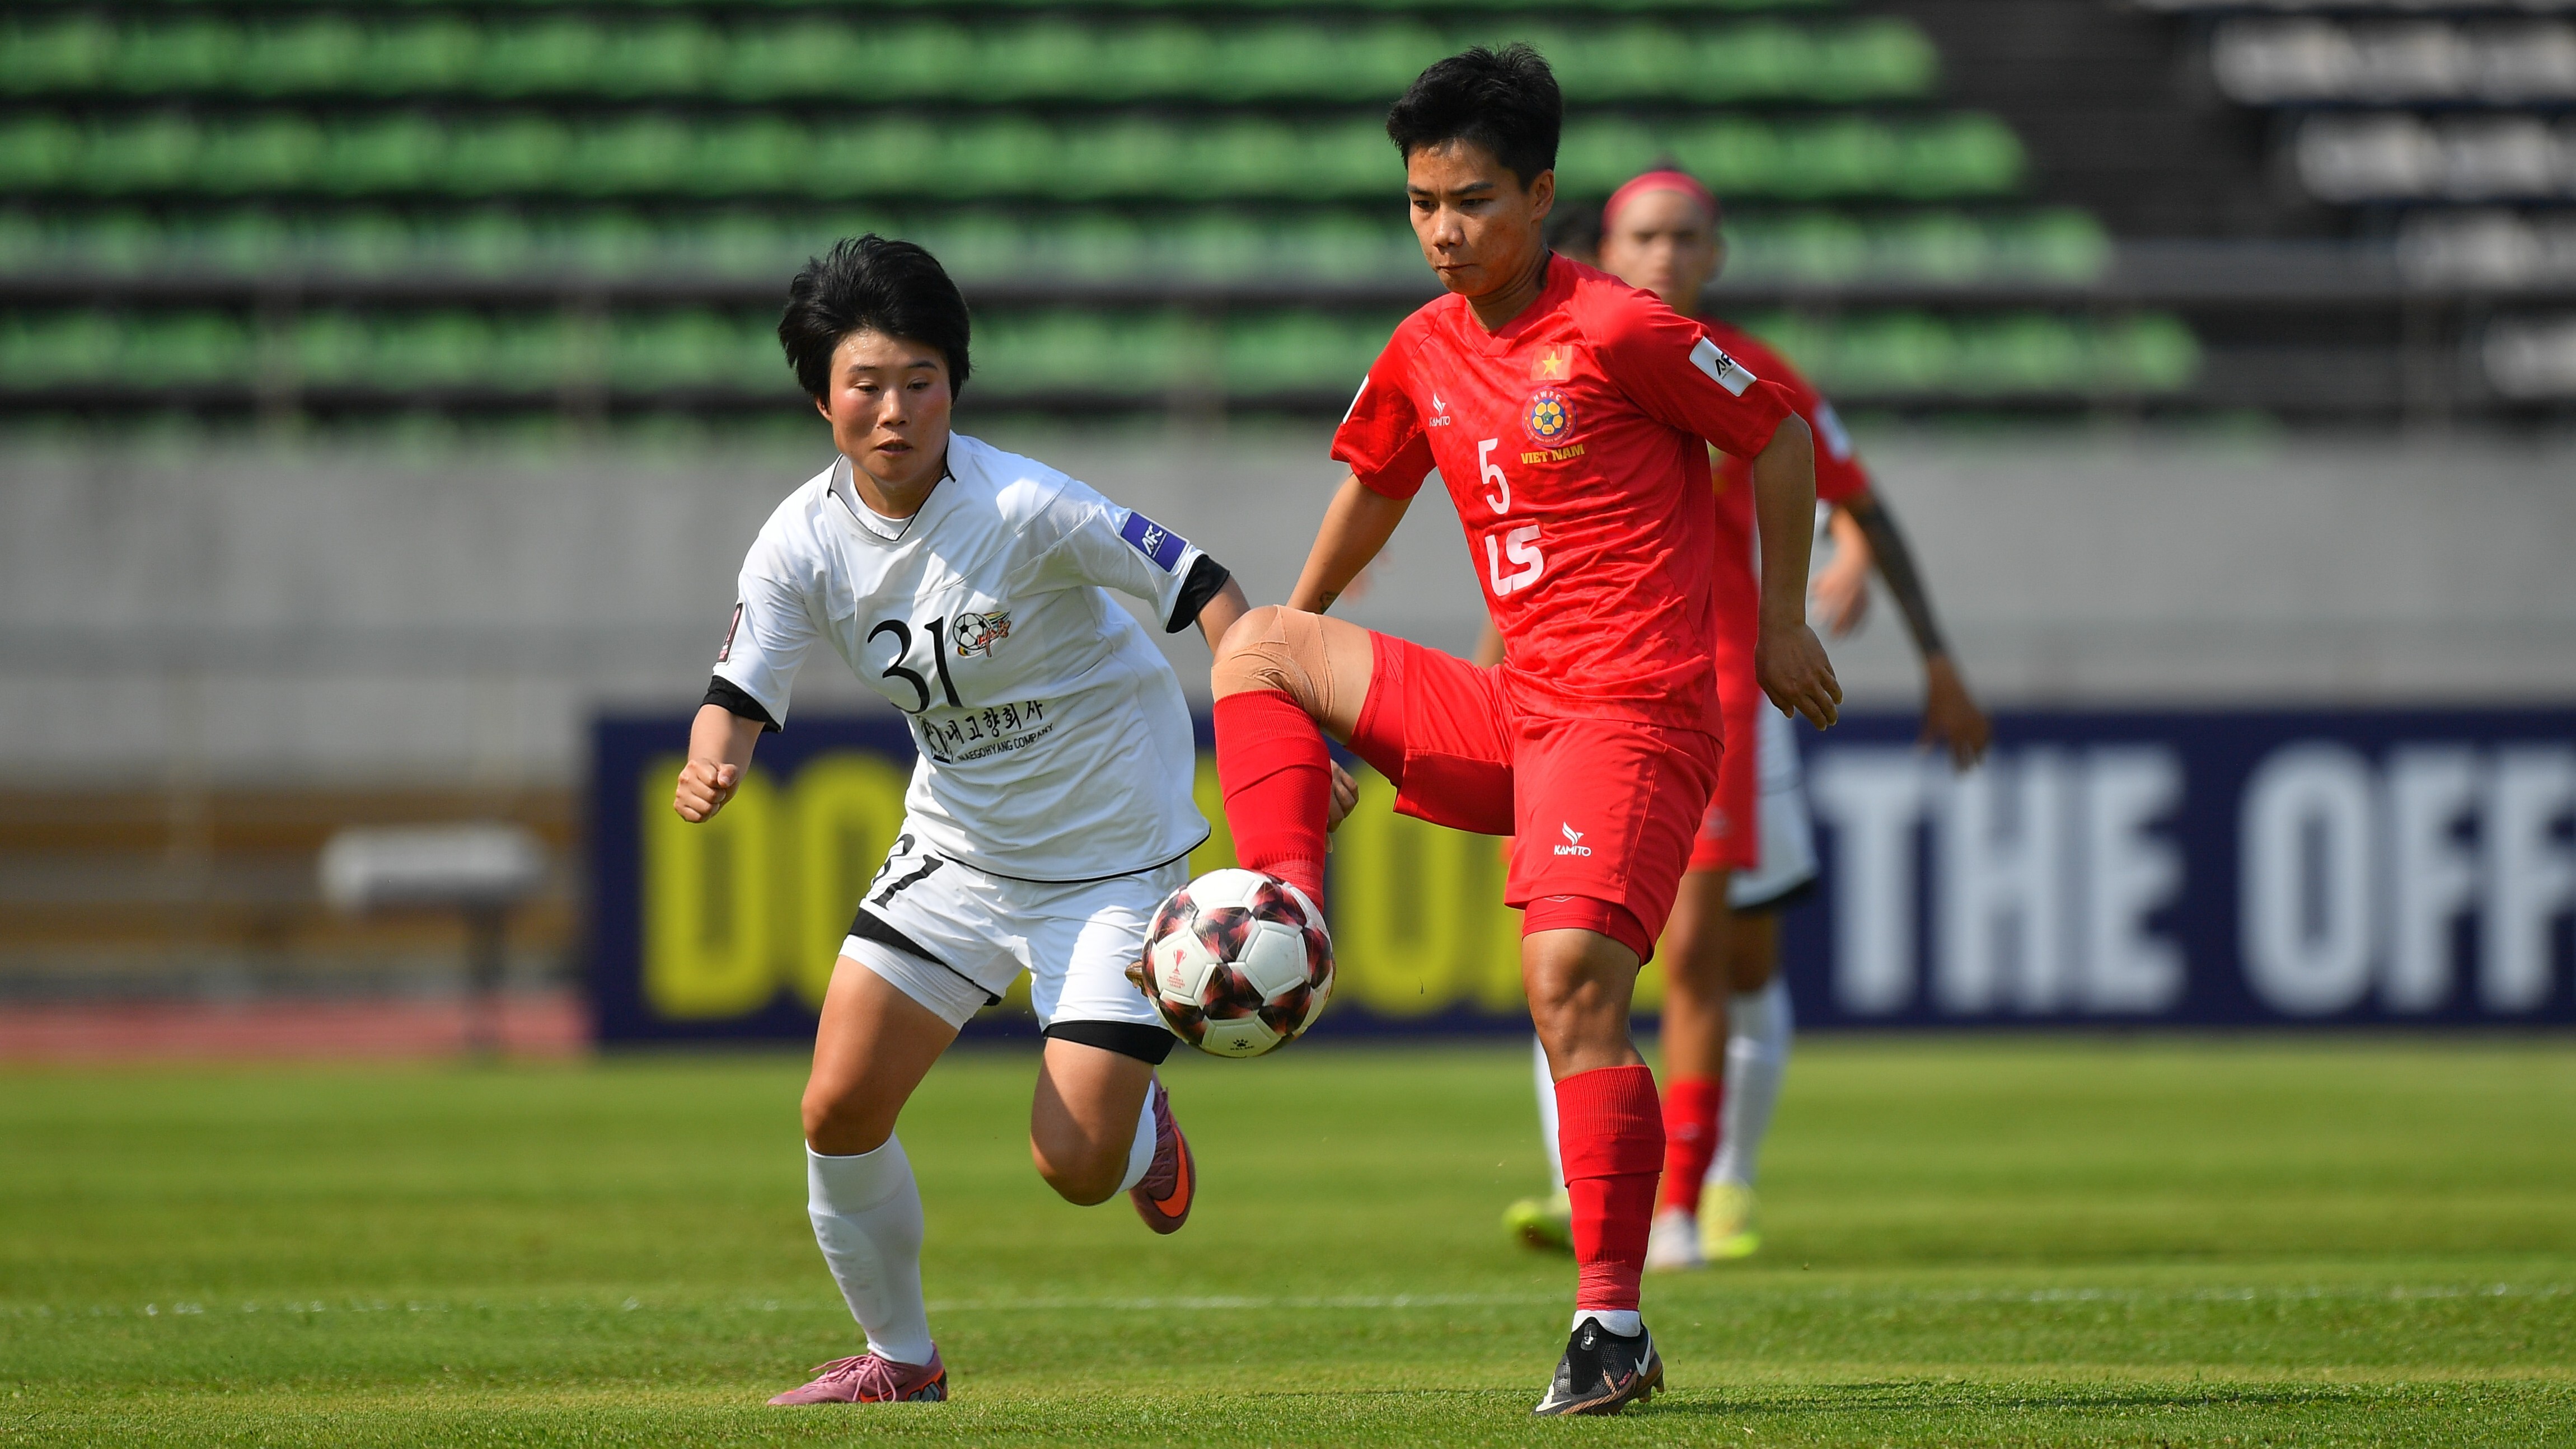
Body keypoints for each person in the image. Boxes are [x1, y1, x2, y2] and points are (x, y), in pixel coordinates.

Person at [1203, 46, 1842, 1417]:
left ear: (1542, 196)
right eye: (1422, 203)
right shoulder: (1424, 345)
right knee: (1252, 641)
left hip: (1636, 714)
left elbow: (1779, 433)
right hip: (1518, 707)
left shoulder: (1621, 330)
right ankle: (1286, 916)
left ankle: (1613, 1323)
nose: (1443, 230)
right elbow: (1380, 479)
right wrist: (1304, 653)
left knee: (1569, 984)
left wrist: (1782, 622)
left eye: (1472, 201)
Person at [674, 235, 1272, 1407]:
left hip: (1113, 857)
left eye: (921, 380)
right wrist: (714, 761)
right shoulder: (798, 541)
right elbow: (738, 687)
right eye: (867, 385)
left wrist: (1266, 735)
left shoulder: (1028, 504)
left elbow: (1205, 587)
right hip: (959, 849)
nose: (896, 410)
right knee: (836, 1107)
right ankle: (902, 1360)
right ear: (822, 399)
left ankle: (1138, 1125)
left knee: (1074, 1164)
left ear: (955, 383)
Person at [1499, 168, 1992, 1272]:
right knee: (1580, 951)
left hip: (1722, 695)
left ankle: (1705, 1186)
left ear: (1715, 253)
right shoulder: (1556, 371)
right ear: (1606, 250)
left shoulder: (1752, 372)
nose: (1665, 256)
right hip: (1583, 697)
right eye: (1643, 236)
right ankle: (1600, 1186)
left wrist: (1931, 653)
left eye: (1686, 237)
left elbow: (1856, 497)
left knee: (1716, 957)